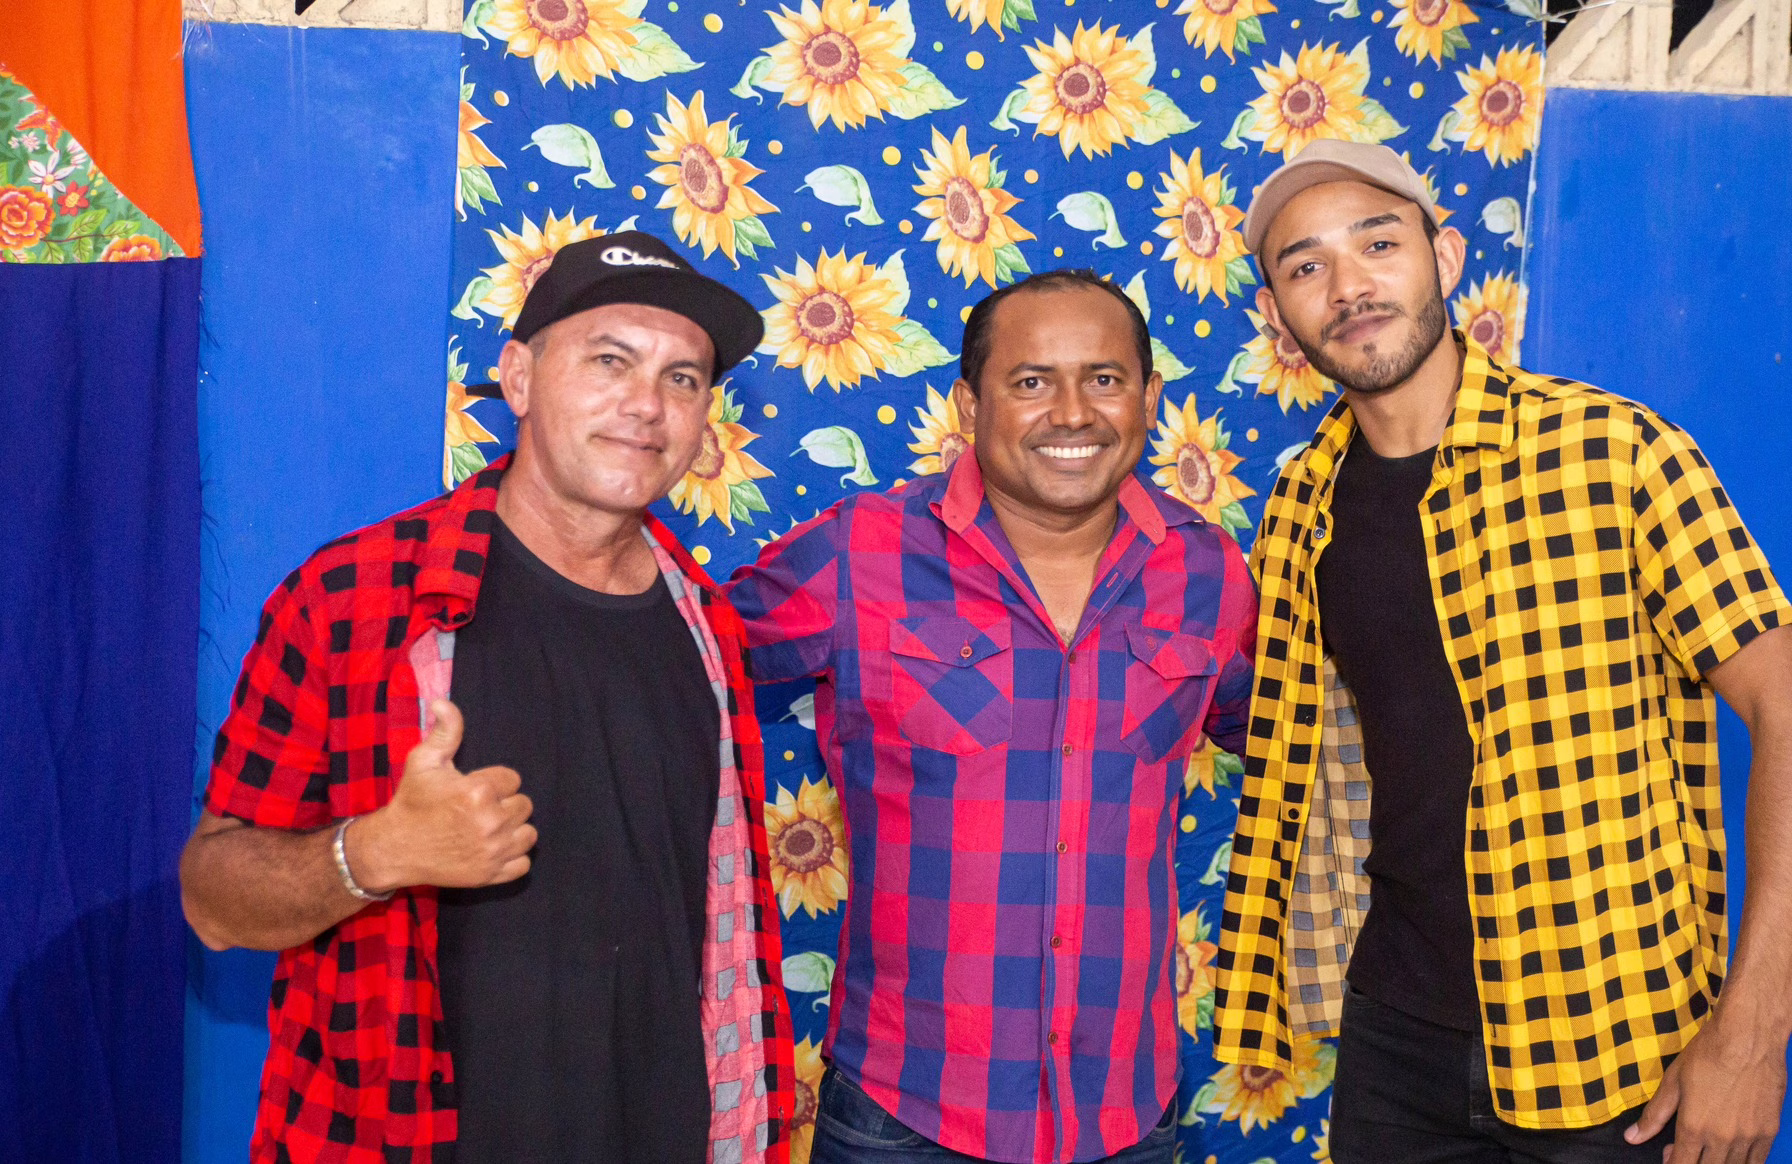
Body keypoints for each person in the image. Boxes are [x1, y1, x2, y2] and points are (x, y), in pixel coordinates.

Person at [1209, 141, 1792, 1163]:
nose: (1347, 286)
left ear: (1446, 257)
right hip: (1395, 1044)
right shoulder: (1300, 508)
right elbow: (1313, 753)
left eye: (1378, 244)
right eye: (1305, 265)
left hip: (1613, 1039)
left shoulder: (1614, 452)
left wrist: (1751, 1036)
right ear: (1276, 316)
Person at [180, 232, 793, 1163]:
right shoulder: (354, 600)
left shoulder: (711, 631)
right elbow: (214, 900)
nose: (647, 404)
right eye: (610, 360)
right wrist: (374, 852)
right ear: (518, 377)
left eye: (683, 378)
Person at [726, 270, 1256, 1164]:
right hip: (907, 1113)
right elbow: (689, 666)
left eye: (1104, 378)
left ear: (1150, 397)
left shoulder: (1207, 573)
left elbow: (1284, 734)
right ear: (971, 405)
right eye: (1032, 380)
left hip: (1125, 1113)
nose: (1073, 412)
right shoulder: (862, 551)